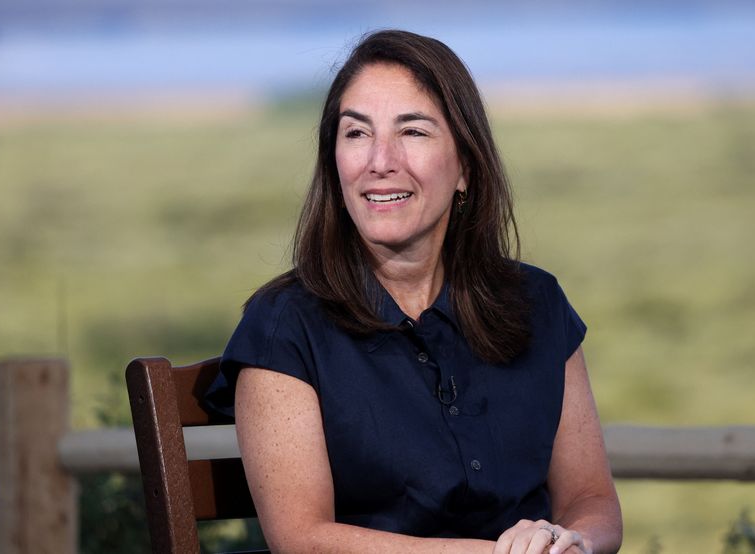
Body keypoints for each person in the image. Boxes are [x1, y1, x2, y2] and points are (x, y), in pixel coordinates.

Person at [206, 29, 623, 553]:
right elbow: (303, 541)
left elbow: (592, 500)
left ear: (466, 167)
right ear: (334, 166)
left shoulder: (537, 303)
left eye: (413, 132)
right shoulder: (283, 326)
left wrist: (573, 542)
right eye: (356, 133)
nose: (380, 160)